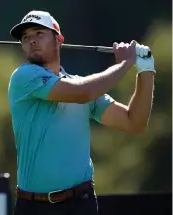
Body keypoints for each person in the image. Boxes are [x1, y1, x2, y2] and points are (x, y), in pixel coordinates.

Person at [8, 10, 156, 215]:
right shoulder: (24, 77)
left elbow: (134, 123)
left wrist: (146, 70)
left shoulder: (81, 85)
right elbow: (84, 92)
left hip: (80, 204)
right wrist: (125, 63)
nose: (32, 40)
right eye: (26, 37)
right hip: (34, 207)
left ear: (58, 39)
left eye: (39, 33)